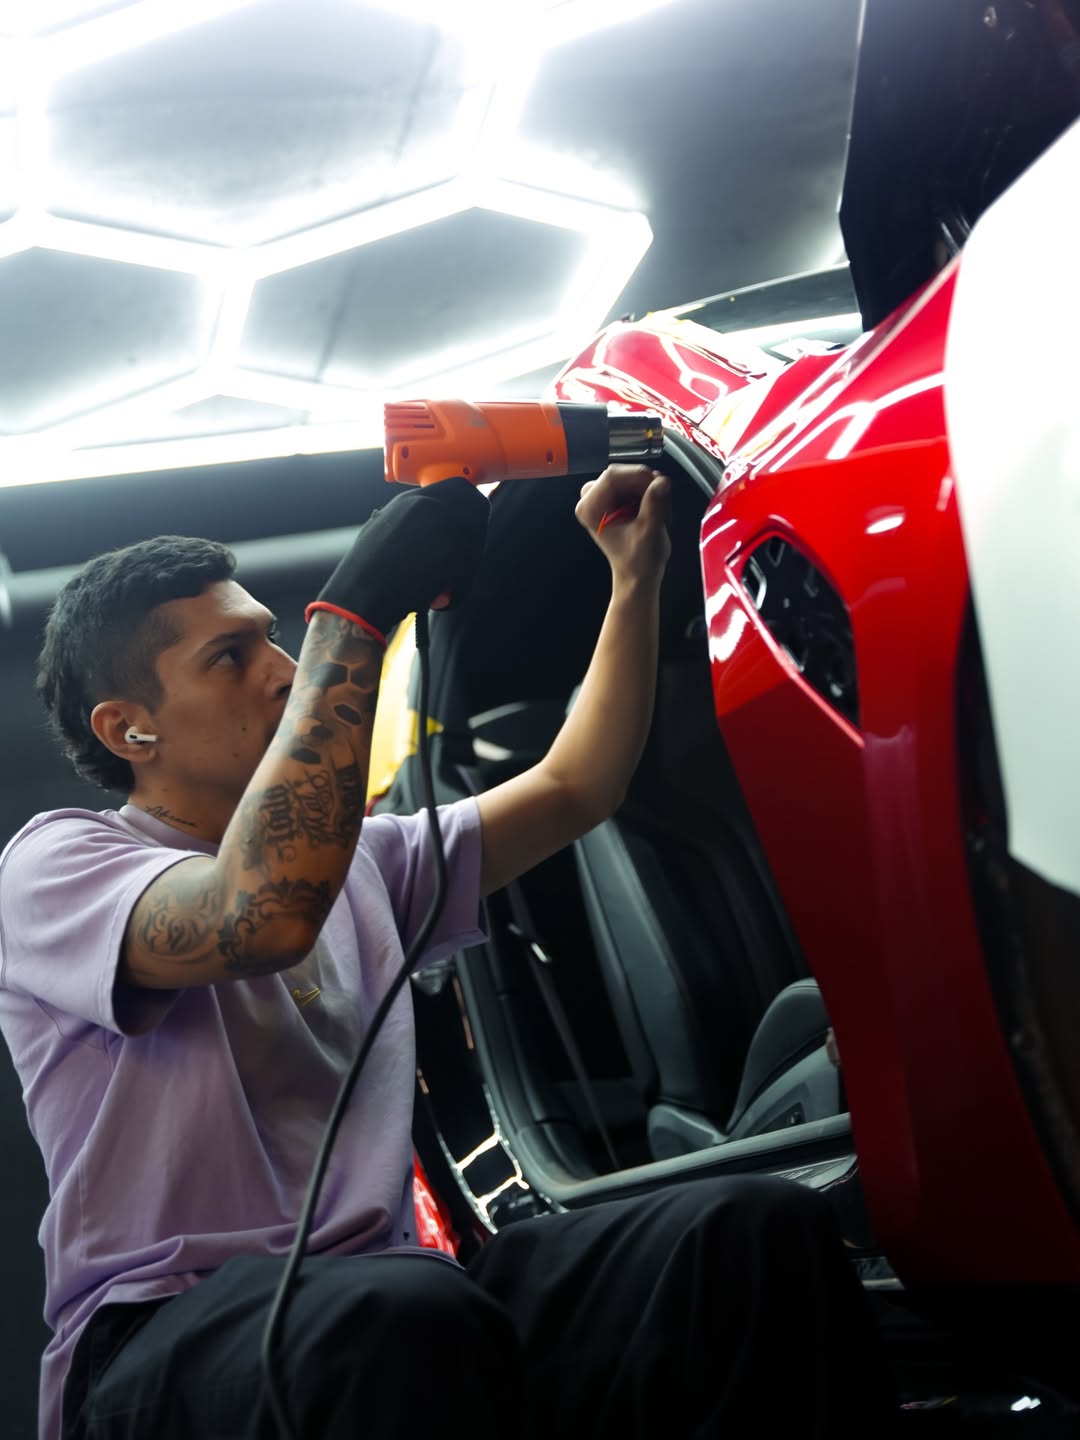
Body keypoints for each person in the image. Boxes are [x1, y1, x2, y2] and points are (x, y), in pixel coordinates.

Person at [0, 466, 894, 1440]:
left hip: (389, 1302)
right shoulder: (58, 866)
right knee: (402, 1318)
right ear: (127, 726)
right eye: (229, 656)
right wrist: (356, 616)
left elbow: (575, 787)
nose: (282, 668)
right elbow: (257, 916)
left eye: (273, 636)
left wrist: (635, 577)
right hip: (161, 1338)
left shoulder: (363, 863)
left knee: (747, 1237)